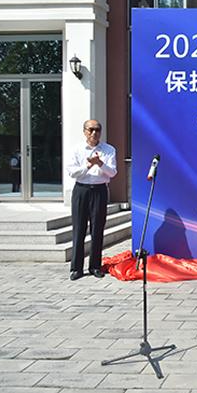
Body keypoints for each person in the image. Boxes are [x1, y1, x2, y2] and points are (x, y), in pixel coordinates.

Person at [65, 120, 117, 281]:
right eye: (91, 129)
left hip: (100, 191)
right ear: (84, 131)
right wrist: (88, 165)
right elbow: (72, 173)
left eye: (97, 130)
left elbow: (112, 172)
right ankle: (76, 268)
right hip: (82, 190)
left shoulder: (108, 150)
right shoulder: (76, 149)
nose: (94, 133)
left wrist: (99, 163)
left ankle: (95, 266)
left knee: (97, 229)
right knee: (79, 229)